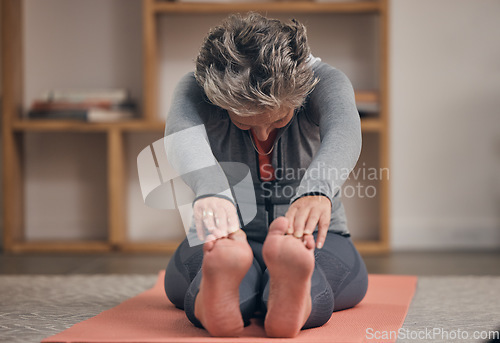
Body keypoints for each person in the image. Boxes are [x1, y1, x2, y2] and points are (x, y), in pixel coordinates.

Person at [163, 13, 368, 338]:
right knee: (195, 276)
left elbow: (345, 130)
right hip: (225, 235)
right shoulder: (195, 88)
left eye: (279, 119)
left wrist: (317, 190)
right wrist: (211, 190)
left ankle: (274, 293)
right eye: (244, 122)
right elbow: (180, 132)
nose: (261, 134)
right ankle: (254, 297)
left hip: (306, 237)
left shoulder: (325, 81)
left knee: (187, 282)